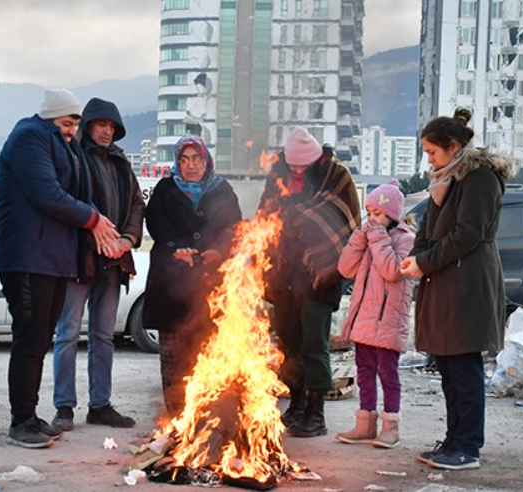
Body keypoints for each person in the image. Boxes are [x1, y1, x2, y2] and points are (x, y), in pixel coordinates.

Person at [0, 88, 119, 449]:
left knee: (41, 338)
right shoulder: (29, 137)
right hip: (27, 255)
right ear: (50, 117)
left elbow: (80, 192)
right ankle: (21, 421)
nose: (71, 129)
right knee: (30, 338)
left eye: (75, 123)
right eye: (67, 122)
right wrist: (92, 219)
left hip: (54, 258)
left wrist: (99, 225)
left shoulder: (63, 143)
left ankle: (31, 415)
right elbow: (47, 194)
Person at [400, 109, 513, 470]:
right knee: (447, 367)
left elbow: (467, 234)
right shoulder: (444, 179)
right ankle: (452, 439)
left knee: (463, 367)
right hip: (444, 282)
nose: (429, 160)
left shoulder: (479, 178)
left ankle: (468, 446)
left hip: (468, 283)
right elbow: (427, 227)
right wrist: (417, 256)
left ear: (453, 146)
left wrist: (425, 262)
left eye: (433, 152)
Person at [259, 128, 361, 438]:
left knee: (314, 345)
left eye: (304, 166)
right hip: (285, 273)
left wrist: (294, 216)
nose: (299, 171)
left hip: (320, 273)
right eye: (294, 167)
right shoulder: (277, 175)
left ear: (316, 159)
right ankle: (297, 403)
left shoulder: (336, 175)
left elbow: (344, 221)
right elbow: (266, 215)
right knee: (290, 343)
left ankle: (317, 414)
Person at [51, 98, 144, 431]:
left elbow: (136, 203)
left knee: (104, 336)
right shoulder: (71, 156)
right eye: (100, 124)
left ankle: (100, 405)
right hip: (79, 258)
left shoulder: (121, 161)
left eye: (111, 126)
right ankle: (63, 407)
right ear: (88, 124)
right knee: (67, 334)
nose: (106, 131)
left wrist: (127, 240)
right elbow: (64, 201)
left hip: (115, 260)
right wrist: (96, 235)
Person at [142, 136, 242, 415]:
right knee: (173, 355)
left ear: (206, 161)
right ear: (177, 163)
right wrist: (176, 247)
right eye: (184, 160)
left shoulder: (222, 190)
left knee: (207, 350)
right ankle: (176, 415)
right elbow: (155, 222)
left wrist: (219, 251)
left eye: (196, 159)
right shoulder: (165, 188)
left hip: (211, 283)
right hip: (170, 283)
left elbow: (233, 227)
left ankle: (205, 414)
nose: (190, 166)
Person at [335, 179, 415, 449]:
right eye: (369, 214)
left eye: (378, 214)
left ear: (392, 215)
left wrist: (377, 236)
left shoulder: (406, 239)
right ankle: (365, 424)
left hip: (388, 321)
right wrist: (359, 238)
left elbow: (392, 271)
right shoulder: (368, 237)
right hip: (365, 319)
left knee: (388, 375)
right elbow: (346, 269)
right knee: (364, 373)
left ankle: (390, 426)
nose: (372, 220)